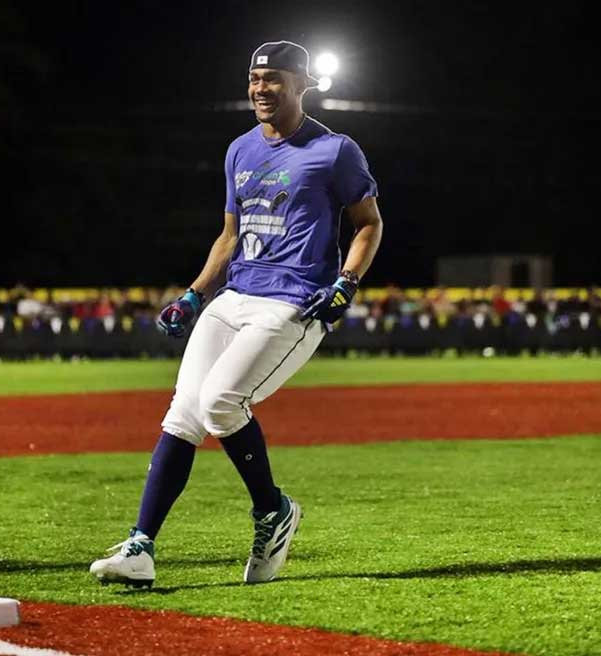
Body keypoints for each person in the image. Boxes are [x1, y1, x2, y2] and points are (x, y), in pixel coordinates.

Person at [89, 40, 383, 587]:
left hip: (294, 302)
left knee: (222, 402)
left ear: (301, 84)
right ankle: (141, 547)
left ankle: (273, 511)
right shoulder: (240, 150)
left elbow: (369, 223)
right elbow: (229, 237)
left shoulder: (335, 150)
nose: (260, 88)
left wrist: (348, 281)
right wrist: (195, 294)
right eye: (254, 79)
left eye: (273, 78)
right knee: (184, 414)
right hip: (235, 297)